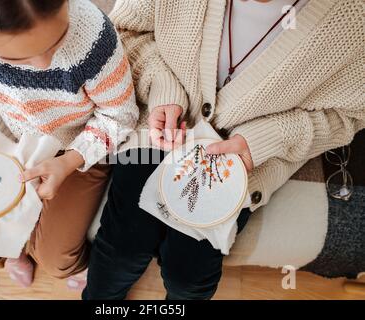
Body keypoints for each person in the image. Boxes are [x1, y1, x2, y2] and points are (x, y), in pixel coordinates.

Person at [83, 0, 365, 300]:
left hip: (244, 164)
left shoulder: (353, 19)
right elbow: (120, 33)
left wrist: (265, 140)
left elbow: (348, 115)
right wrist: (161, 88)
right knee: (120, 250)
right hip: (156, 131)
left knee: (188, 275)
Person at [0, 0, 138, 287]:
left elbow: (119, 115)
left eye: (58, 39)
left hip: (78, 143)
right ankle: (12, 252)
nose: (44, 63)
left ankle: (65, 263)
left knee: (57, 259)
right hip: (11, 139)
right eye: (19, 58)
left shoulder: (92, 36)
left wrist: (69, 160)